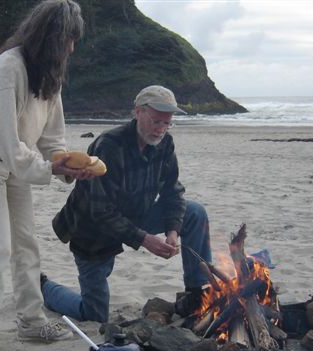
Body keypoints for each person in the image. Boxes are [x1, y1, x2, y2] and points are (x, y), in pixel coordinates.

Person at [0, 0, 89, 351]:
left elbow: (52, 137)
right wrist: (48, 168)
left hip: (18, 160)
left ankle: (31, 322)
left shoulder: (50, 75)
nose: (71, 48)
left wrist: (67, 166)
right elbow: (5, 143)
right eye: (68, 40)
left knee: (26, 243)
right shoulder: (8, 69)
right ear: (51, 36)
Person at [42, 85, 212, 323]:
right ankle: (46, 288)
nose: (161, 130)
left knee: (194, 213)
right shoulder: (109, 145)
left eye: (167, 123)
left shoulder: (165, 144)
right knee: (94, 315)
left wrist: (173, 231)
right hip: (91, 229)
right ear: (138, 112)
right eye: (156, 121)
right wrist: (145, 239)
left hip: (136, 214)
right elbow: (99, 211)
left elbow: (172, 191)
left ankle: (197, 292)